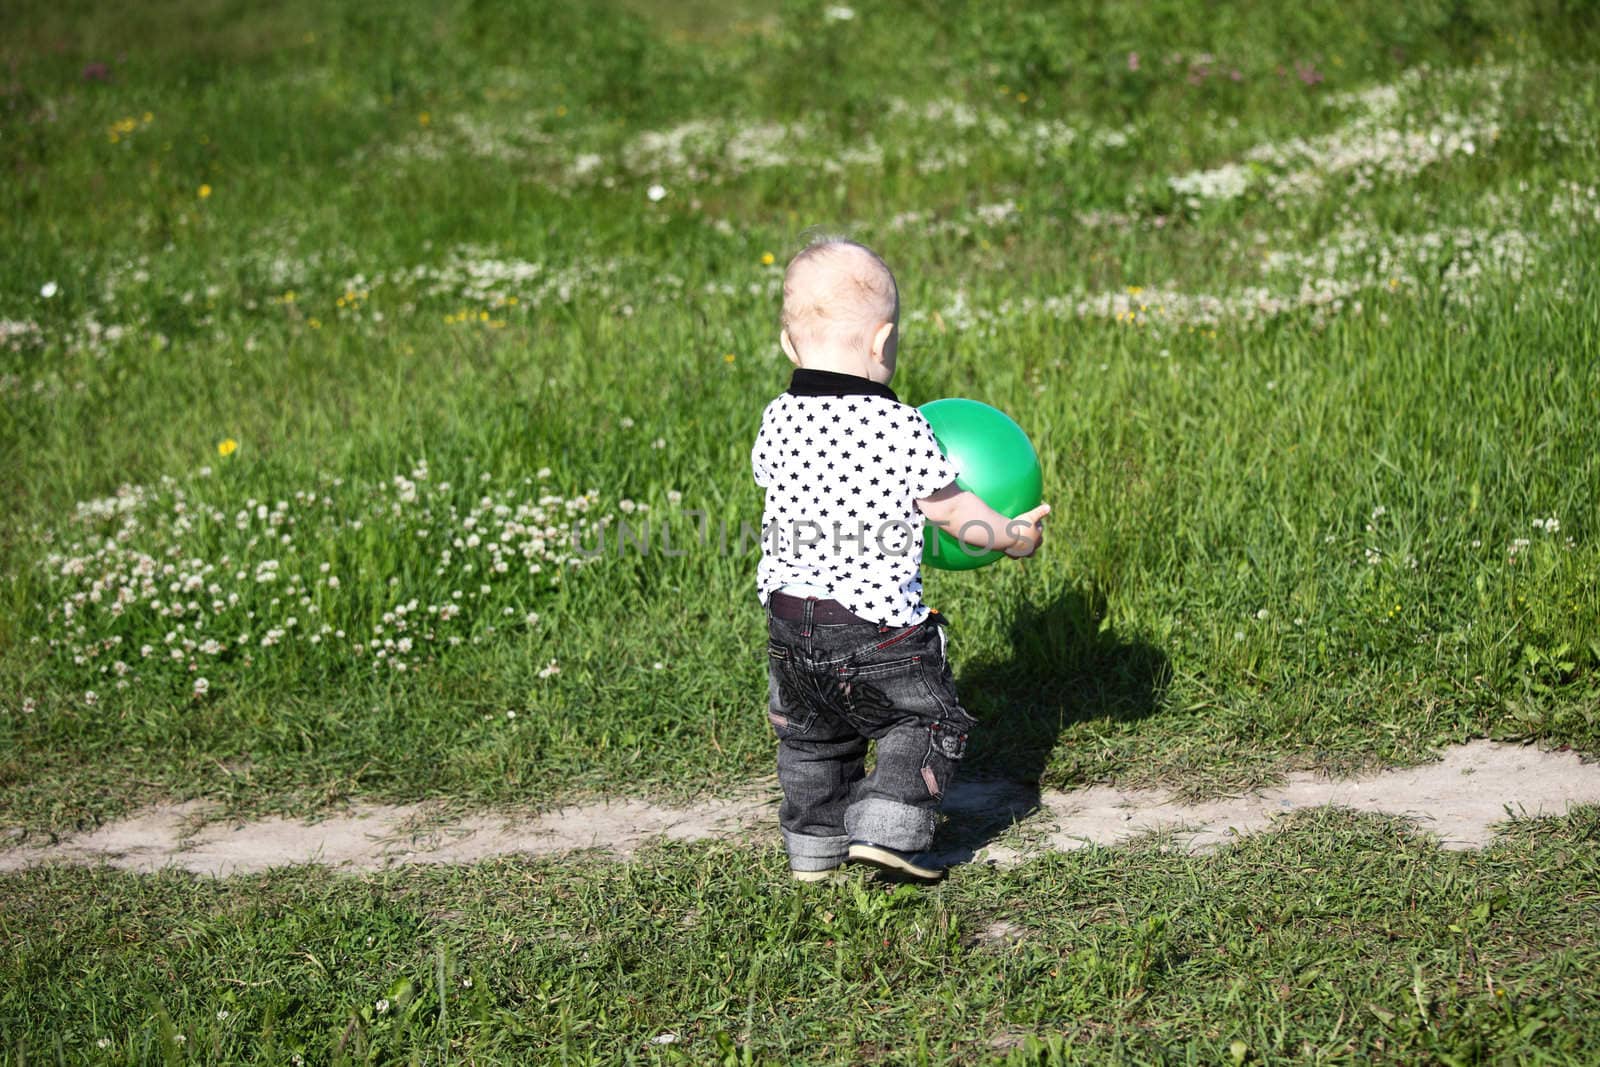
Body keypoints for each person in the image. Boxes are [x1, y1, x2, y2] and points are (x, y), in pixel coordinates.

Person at [751, 237, 1050, 882]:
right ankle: (890, 825)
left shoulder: (776, 420)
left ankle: (813, 849)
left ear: (788, 344)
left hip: (787, 619)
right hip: (873, 623)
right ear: (883, 343)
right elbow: (951, 513)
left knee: (812, 737)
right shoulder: (901, 426)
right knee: (927, 716)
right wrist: (1014, 536)